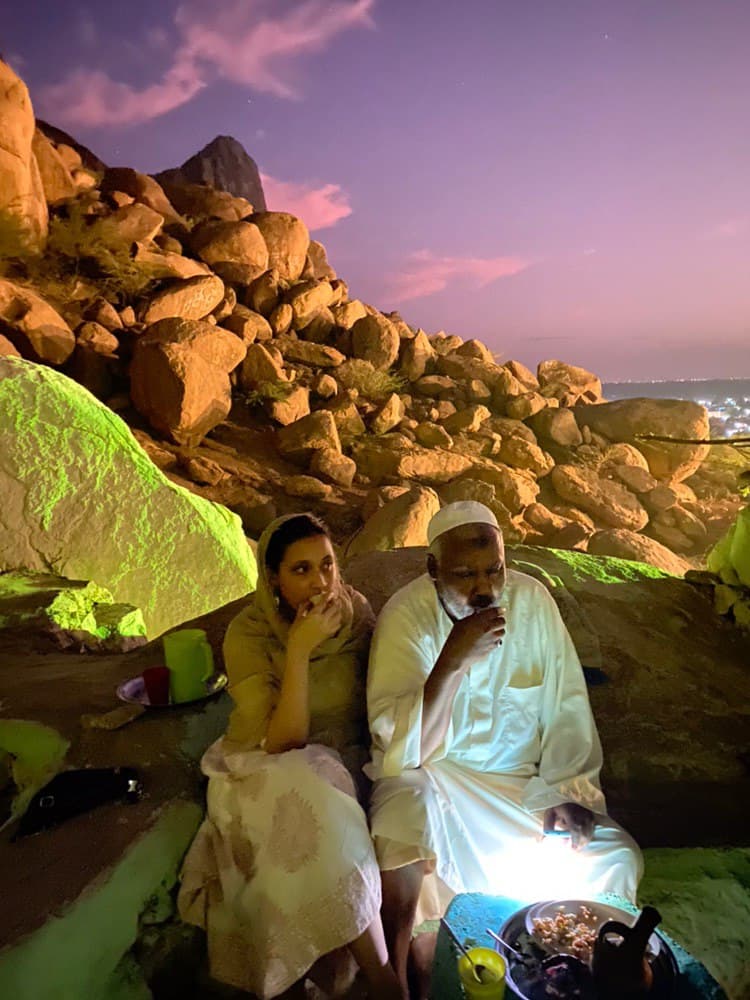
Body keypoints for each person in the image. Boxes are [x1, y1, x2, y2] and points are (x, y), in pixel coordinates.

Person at [365, 501, 643, 993]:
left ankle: (580, 965)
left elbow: (566, 708)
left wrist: (564, 792)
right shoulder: (406, 616)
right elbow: (400, 751)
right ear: (433, 570)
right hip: (441, 784)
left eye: (493, 571)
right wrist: (452, 661)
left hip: (520, 794)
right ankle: (408, 975)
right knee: (402, 821)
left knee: (616, 857)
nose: (483, 588)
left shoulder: (533, 604)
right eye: (465, 574)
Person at [178, 513, 403, 999]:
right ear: (273, 578)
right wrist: (299, 650)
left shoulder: (355, 614)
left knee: (331, 783)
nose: (321, 583)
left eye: (327, 565)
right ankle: (383, 977)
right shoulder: (250, 632)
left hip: (341, 761)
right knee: (314, 789)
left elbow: (384, 690)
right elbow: (282, 740)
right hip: (263, 760)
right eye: (301, 571)